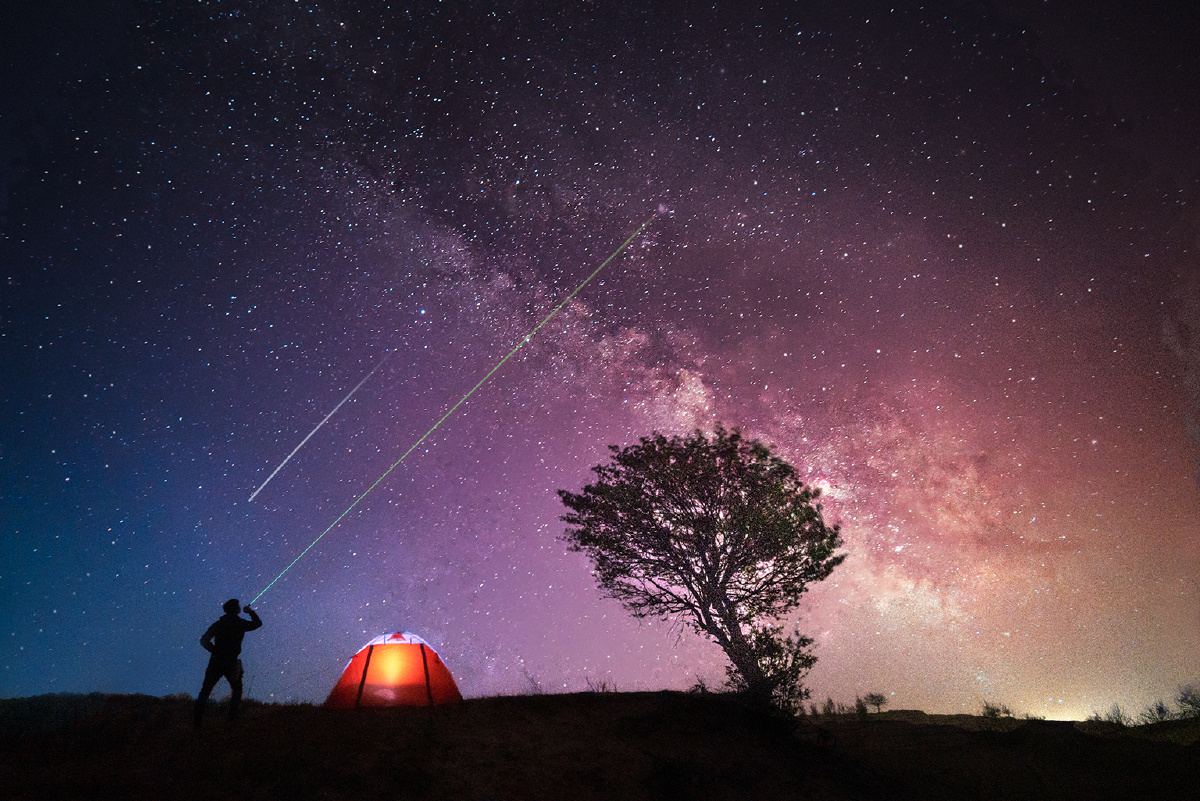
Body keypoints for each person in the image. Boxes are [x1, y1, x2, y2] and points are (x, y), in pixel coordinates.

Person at [194, 599, 262, 727]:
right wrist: (250, 612)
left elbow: (204, 640)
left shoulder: (219, 624)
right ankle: (232, 719)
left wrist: (214, 650)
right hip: (231, 661)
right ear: (236, 609)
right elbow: (258, 623)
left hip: (216, 660)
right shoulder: (240, 623)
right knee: (237, 689)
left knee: (206, 689)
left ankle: (197, 721)